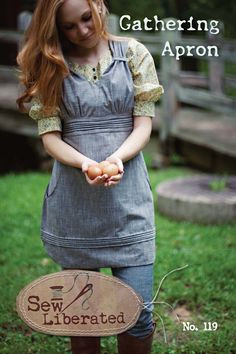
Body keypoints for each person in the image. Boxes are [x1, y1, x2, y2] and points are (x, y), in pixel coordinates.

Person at [17, 0, 164, 353]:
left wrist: (115, 158)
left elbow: (143, 125)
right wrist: (85, 163)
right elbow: (50, 137)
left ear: (99, 6)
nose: (82, 30)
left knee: (138, 311)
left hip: (127, 198)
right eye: (69, 26)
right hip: (75, 203)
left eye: (87, 17)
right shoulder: (51, 64)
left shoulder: (133, 53)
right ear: (56, 28)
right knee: (83, 320)